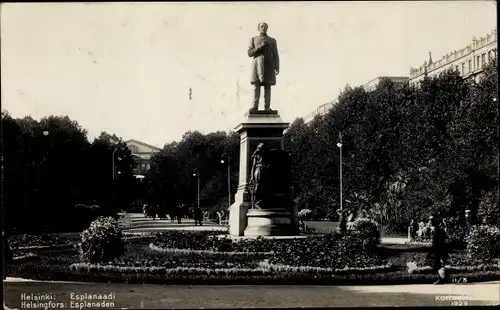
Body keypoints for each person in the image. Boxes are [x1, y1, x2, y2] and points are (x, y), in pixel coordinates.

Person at [248, 22, 280, 111]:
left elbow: (275, 54)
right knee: (256, 86)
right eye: (262, 26)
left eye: (265, 27)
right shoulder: (254, 39)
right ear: (259, 28)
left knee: (268, 87)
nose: (263, 28)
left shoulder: (272, 40)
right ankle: (255, 107)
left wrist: (277, 67)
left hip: (268, 66)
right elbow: (249, 53)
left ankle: (267, 107)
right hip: (257, 65)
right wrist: (260, 47)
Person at [427, 216, 449, 284]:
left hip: (437, 250)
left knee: (436, 264)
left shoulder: (436, 230)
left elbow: (436, 242)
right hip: (438, 249)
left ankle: (443, 277)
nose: (429, 222)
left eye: (431, 221)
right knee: (436, 264)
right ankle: (442, 277)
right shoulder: (438, 229)